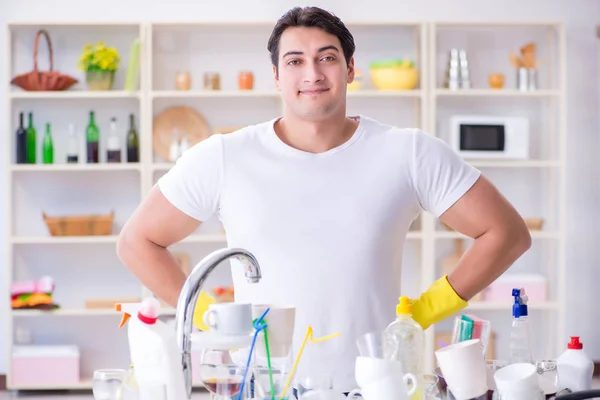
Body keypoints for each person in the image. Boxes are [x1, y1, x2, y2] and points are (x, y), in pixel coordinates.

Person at [117, 6, 531, 393]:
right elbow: (137, 241)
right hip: (264, 387)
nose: (311, 72)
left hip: (377, 386)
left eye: (327, 57)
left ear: (350, 69)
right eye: (295, 60)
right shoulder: (224, 156)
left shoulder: (408, 152)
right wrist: (210, 316)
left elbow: (507, 234)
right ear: (277, 76)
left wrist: (425, 309)